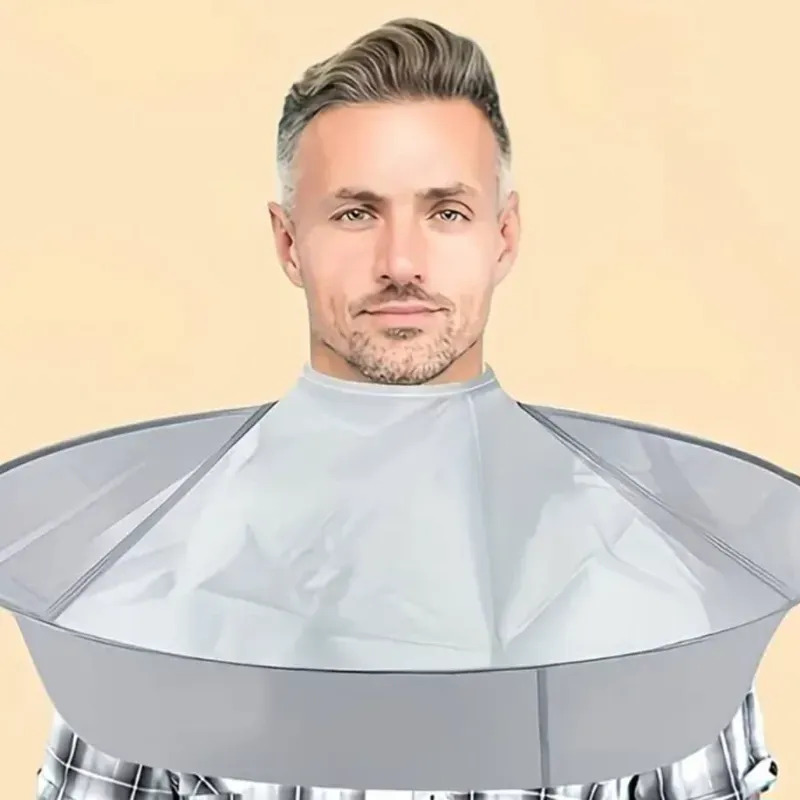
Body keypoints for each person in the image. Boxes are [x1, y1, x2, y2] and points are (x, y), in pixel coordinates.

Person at [35, 17, 779, 800]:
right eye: (355, 212)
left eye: (446, 211)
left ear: (504, 235)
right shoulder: (156, 584)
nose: (400, 263)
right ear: (288, 242)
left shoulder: (646, 581)